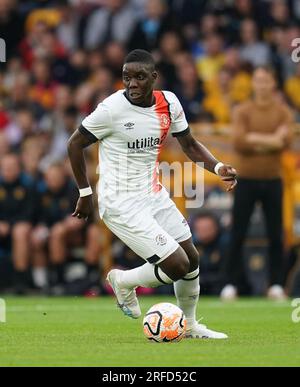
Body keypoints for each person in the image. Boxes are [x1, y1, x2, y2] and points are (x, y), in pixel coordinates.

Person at [68, 49, 237, 339]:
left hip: (153, 195)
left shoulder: (169, 102)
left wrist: (218, 166)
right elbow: (74, 144)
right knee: (176, 265)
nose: (132, 84)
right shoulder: (111, 109)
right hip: (120, 203)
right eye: (126, 78)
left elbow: (190, 145)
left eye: (139, 77)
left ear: (154, 78)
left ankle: (190, 325)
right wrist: (85, 192)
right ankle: (123, 280)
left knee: (192, 259)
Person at [221, 66, 294, 301]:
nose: (261, 85)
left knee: (275, 233)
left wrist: (255, 138)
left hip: (273, 179)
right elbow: (239, 141)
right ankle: (232, 283)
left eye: (266, 80)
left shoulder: (283, 112)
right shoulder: (243, 110)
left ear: (273, 83)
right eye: (258, 80)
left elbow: (286, 142)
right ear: (253, 84)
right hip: (247, 178)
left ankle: (275, 284)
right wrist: (271, 139)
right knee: (238, 231)